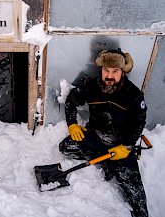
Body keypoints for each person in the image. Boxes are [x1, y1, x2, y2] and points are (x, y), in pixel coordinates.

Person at [59, 48, 149, 217]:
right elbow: (71, 101)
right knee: (66, 147)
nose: (109, 76)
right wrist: (72, 125)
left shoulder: (134, 94)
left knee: (137, 200)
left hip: (121, 145)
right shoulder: (91, 86)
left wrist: (127, 146)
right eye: (106, 70)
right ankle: (106, 163)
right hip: (97, 136)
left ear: (122, 72)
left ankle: (113, 165)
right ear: (101, 70)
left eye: (115, 71)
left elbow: (139, 122)